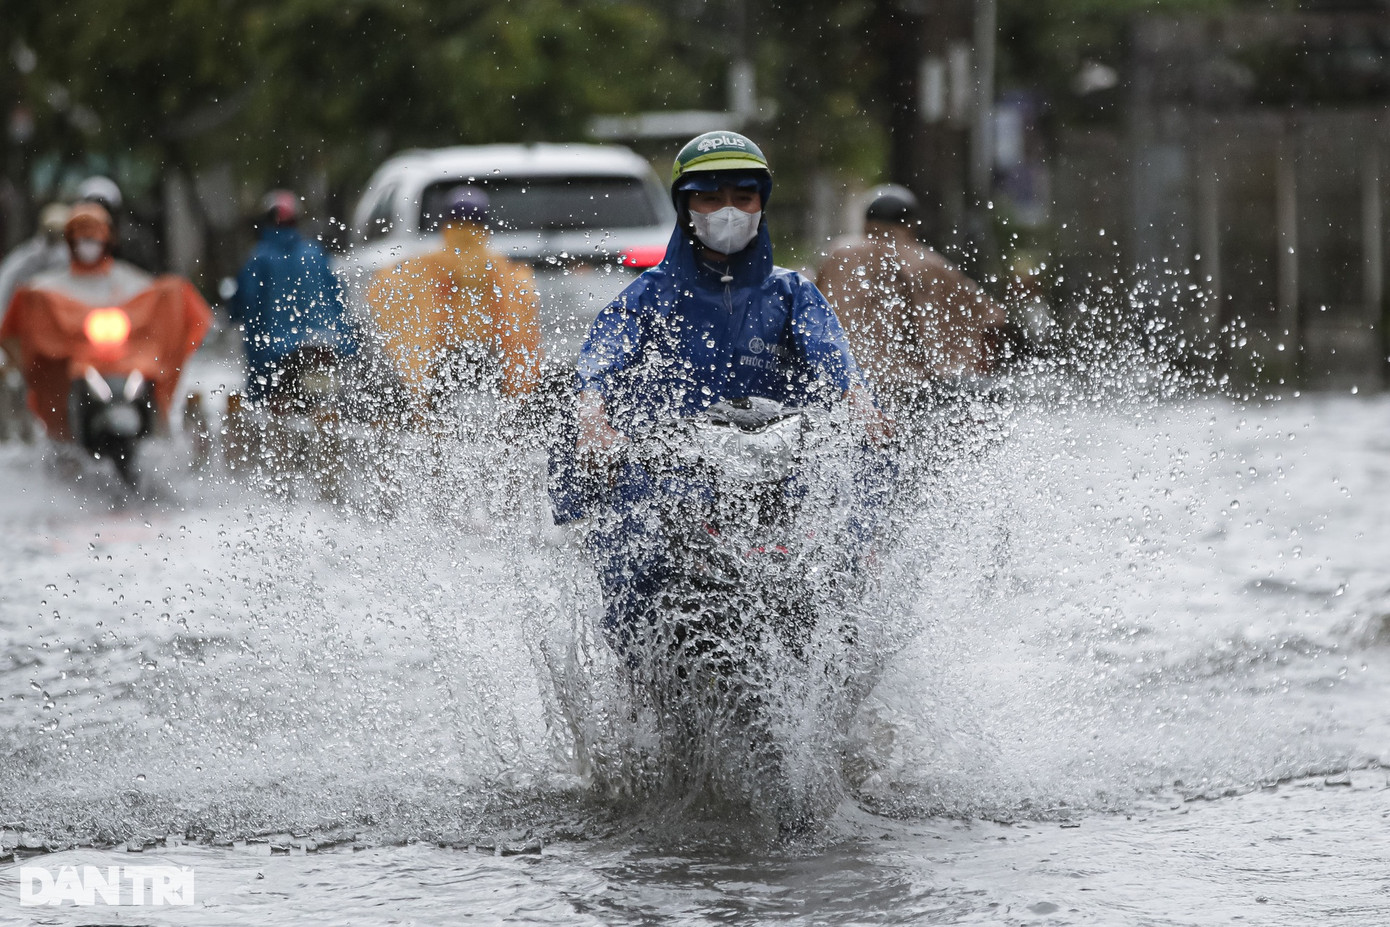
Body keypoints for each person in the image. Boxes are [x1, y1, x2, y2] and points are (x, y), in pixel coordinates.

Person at [557, 129, 882, 649]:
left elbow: (834, 360)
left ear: (761, 204)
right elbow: (599, 365)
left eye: (742, 197)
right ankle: (640, 690)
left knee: (842, 576)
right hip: (672, 480)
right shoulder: (646, 297)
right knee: (633, 573)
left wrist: (859, 404)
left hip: (778, 479)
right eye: (710, 197)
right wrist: (595, 420)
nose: (727, 211)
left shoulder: (792, 292)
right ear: (686, 206)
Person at [815, 184, 1006, 414]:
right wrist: (975, 363)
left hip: (847, 384)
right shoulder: (931, 263)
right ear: (911, 225)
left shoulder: (839, 253)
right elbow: (994, 319)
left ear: (866, 222)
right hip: (912, 387)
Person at [366, 185, 540, 417]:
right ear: (483, 223)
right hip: (488, 352)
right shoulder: (499, 265)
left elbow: (385, 287)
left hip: (445, 352)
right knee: (501, 418)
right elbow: (525, 297)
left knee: (438, 420)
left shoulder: (431, 262)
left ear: (447, 222)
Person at [227, 190, 359, 405]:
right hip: (325, 346)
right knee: (333, 414)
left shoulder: (259, 259)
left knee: (273, 417)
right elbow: (339, 298)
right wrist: (347, 344)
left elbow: (247, 305)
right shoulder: (317, 253)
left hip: (278, 355)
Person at [24, 202, 153, 307]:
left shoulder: (135, 284)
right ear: (71, 241)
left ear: (107, 240)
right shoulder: (45, 288)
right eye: (83, 238)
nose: (88, 244)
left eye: (93, 238)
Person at [74, 175, 161, 273]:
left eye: (103, 209)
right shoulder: (73, 241)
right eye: (91, 210)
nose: (97, 216)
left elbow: (143, 279)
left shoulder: (131, 243)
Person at [0, 203, 70, 321]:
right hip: (31, 323)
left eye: (60, 232)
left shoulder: (77, 260)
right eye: (52, 231)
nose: (56, 237)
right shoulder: (25, 259)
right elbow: (5, 286)